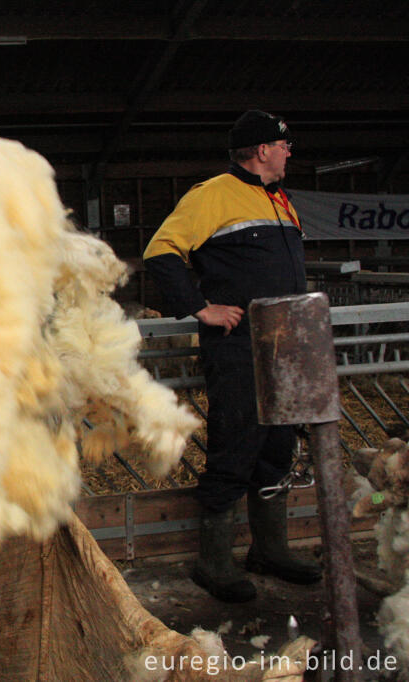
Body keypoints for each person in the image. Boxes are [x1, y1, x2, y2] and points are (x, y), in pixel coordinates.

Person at [142, 110, 322, 602]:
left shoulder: (280, 200)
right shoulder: (213, 194)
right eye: (284, 146)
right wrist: (201, 308)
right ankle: (213, 563)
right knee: (237, 443)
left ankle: (269, 550)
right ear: (263, 149)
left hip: (286, 346)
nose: (289, 152)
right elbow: (161, 252)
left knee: (278, 447)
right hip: (239, 346)